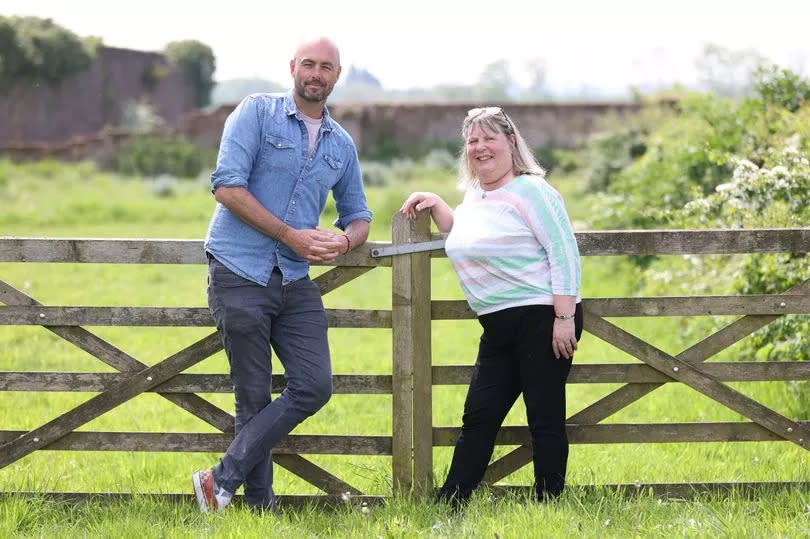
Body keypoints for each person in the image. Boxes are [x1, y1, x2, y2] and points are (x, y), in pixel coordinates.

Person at [192, 37, 372, 513]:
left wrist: (346, 241)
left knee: (314, 386)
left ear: (337, 75)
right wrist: (293, 235)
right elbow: (226, 187)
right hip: (237, 269)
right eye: (308, 64)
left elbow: (358, 214)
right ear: (293, 67)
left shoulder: (341, 144)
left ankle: (219, 480)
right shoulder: (256, 113)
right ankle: (259, 507)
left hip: (294, 281)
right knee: (252, 395)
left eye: (326, 67)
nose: (316, 73)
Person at [400, 106, 582, 505]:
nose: (479, 148)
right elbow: (465, 234)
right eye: (472, 141)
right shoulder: (475, 195)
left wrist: (564, 318)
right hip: (498, 327)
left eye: (488, 139)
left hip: (542, 316)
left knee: (544, 416)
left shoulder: (532, 190)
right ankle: (450, 505)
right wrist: (437, 205)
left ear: (511, 142)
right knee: (479, 415)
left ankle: (548, 504)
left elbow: (564, 252)